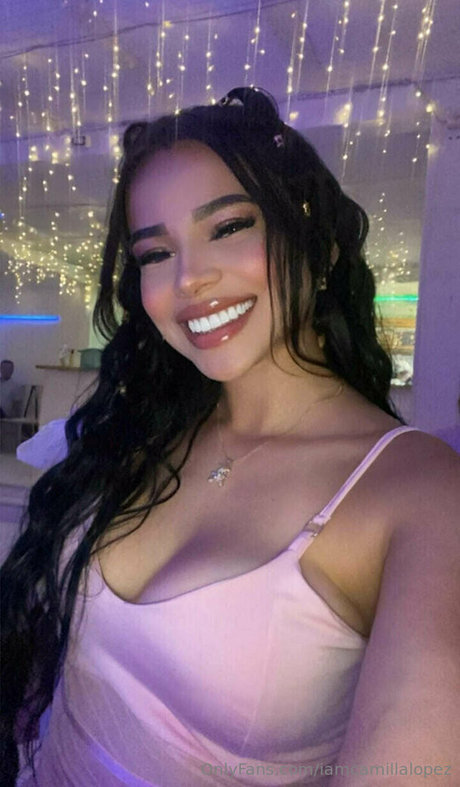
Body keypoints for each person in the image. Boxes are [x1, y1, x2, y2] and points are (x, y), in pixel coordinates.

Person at [1, 87, 459, 787]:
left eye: (229, 226)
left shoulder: (418, 491)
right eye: (156, 253)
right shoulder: (147, 426)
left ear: (320, 245)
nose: (190, 279)